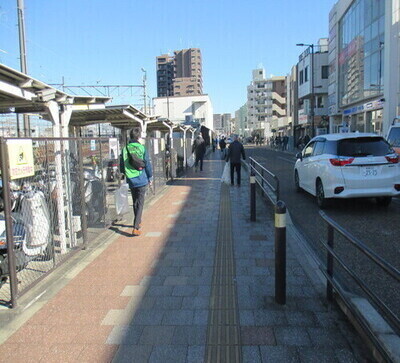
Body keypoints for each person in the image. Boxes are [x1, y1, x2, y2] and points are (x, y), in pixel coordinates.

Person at [120, 127, 153, 237]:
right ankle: (136, 227)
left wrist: (124, 174)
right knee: (140, 203)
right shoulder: (142, 148)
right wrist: (150, 177)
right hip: (141, 178)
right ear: (138, 137)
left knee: (135, 202)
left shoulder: (125, 149)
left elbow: (121, 166)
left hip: (131, 179)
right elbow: (147, 164)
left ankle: (137, 221)